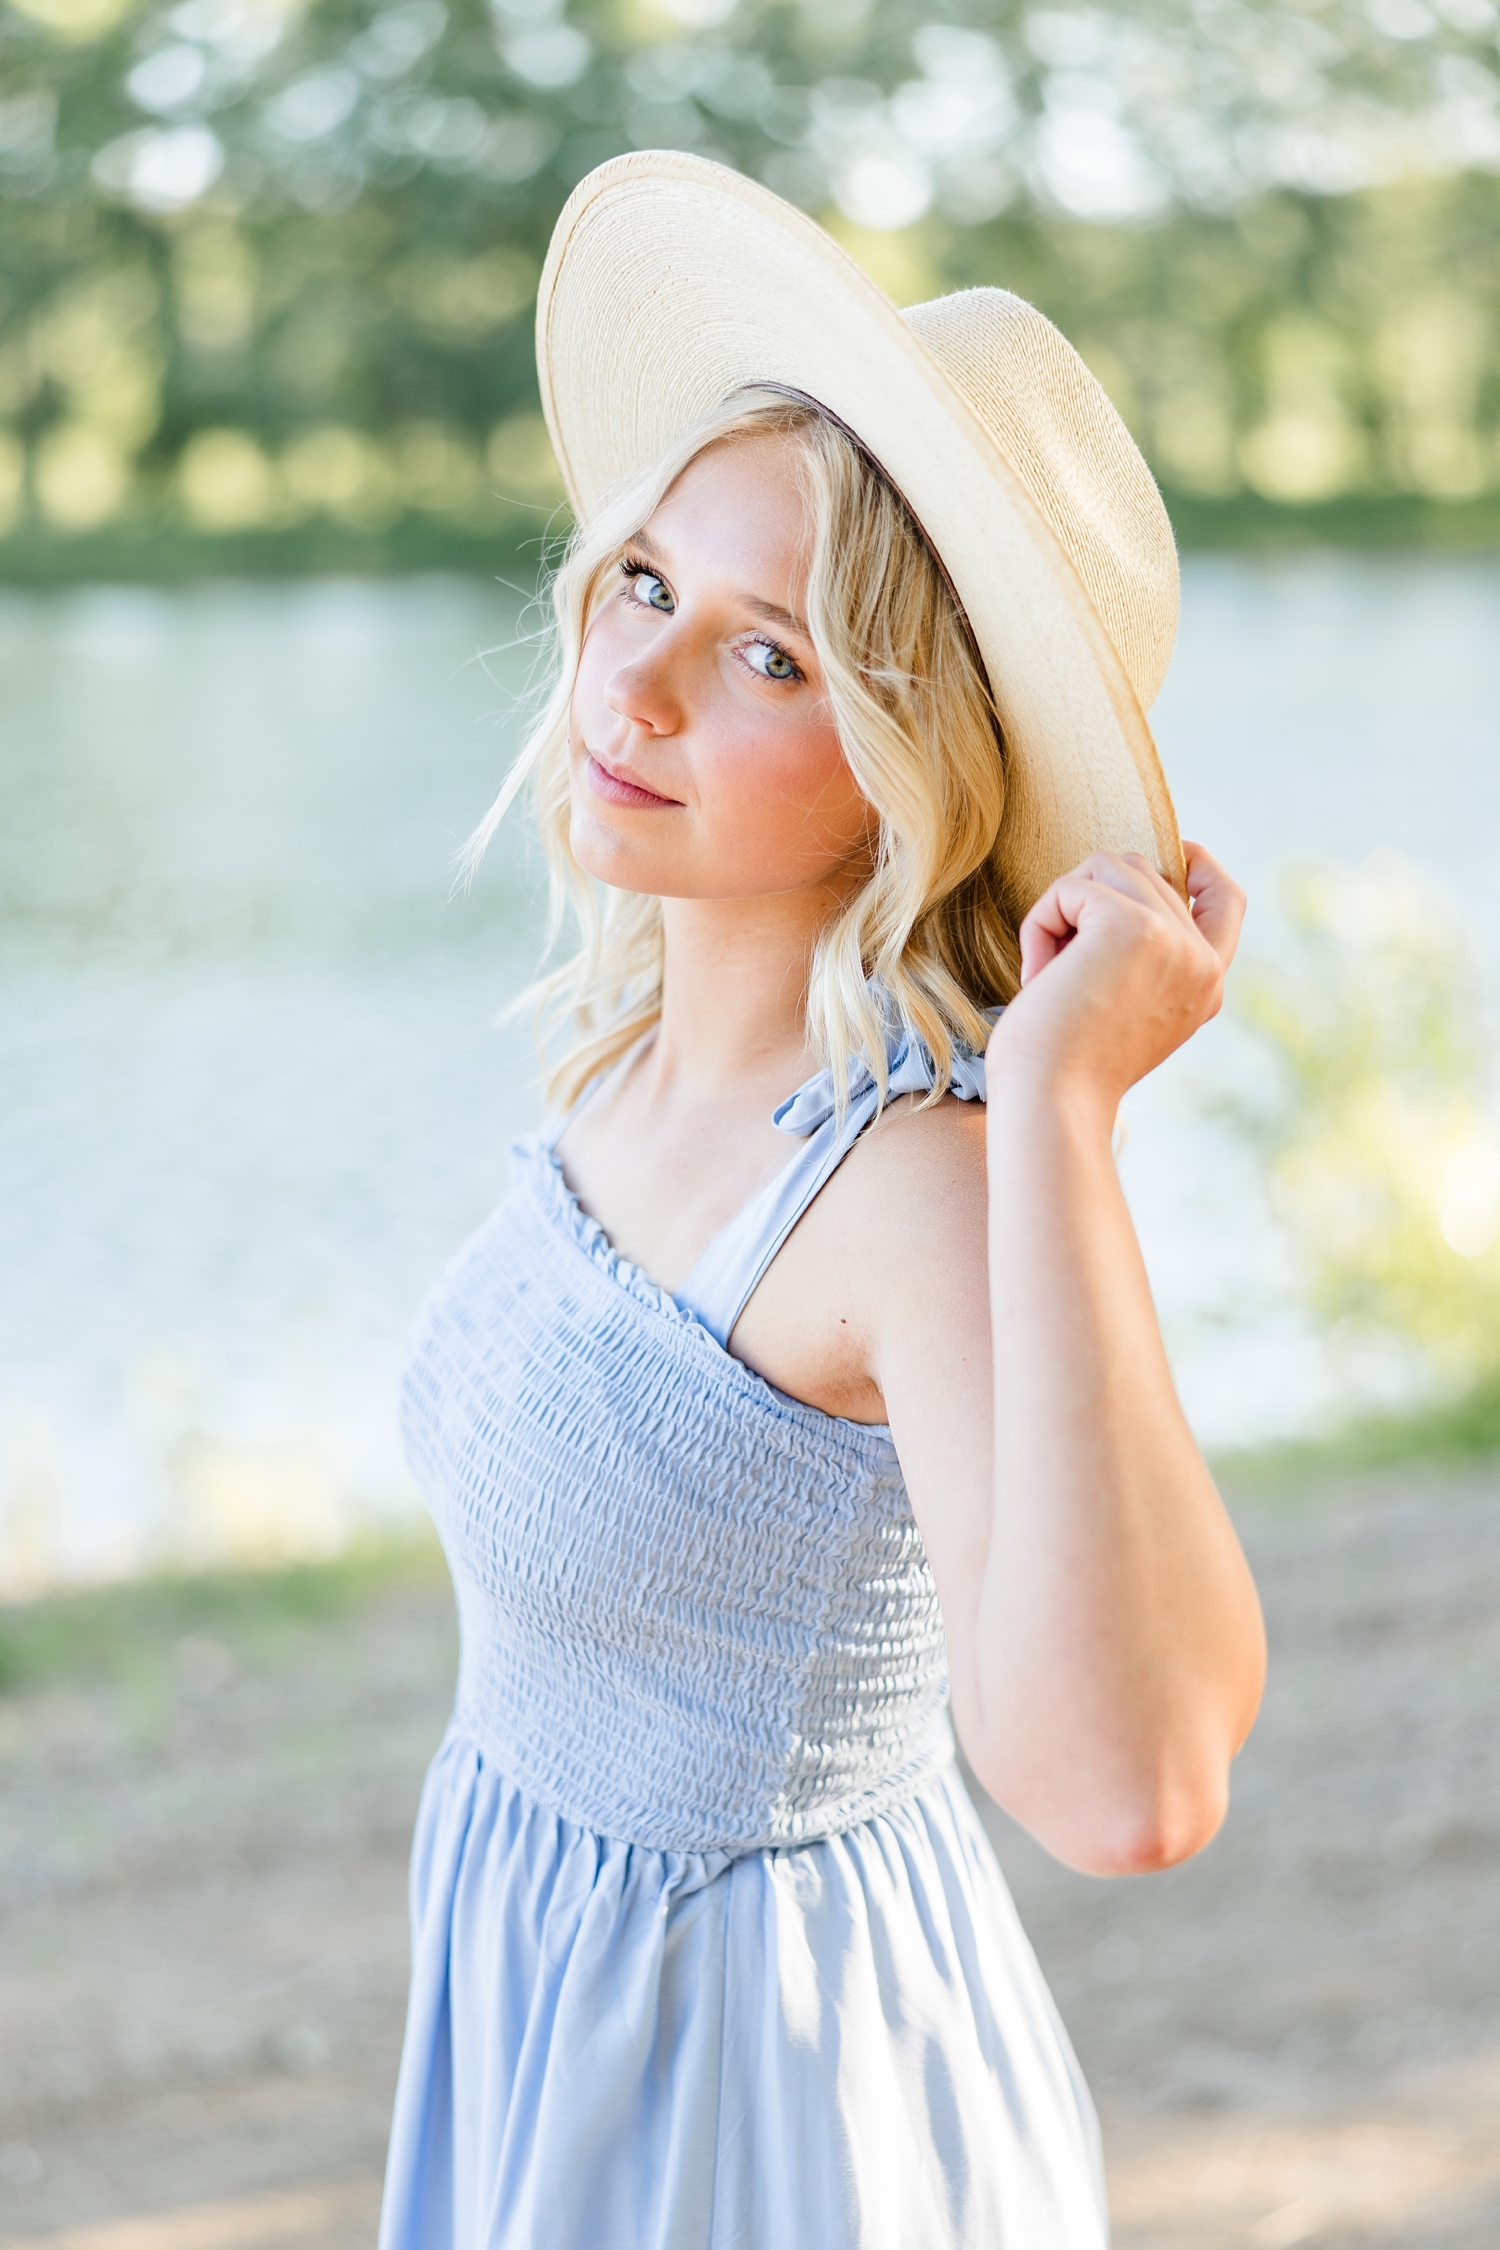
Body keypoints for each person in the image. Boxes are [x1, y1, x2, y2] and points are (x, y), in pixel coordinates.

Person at [379, 152, 1266, 2250]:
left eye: (775, 657)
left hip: (756, 2102)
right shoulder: (618, 1054)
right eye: (646, 586)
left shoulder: (911, 1187)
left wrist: (1056, 1117)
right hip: (545, 2001)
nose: (648, 680)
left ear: (909, 752)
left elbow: (1135, 1787)